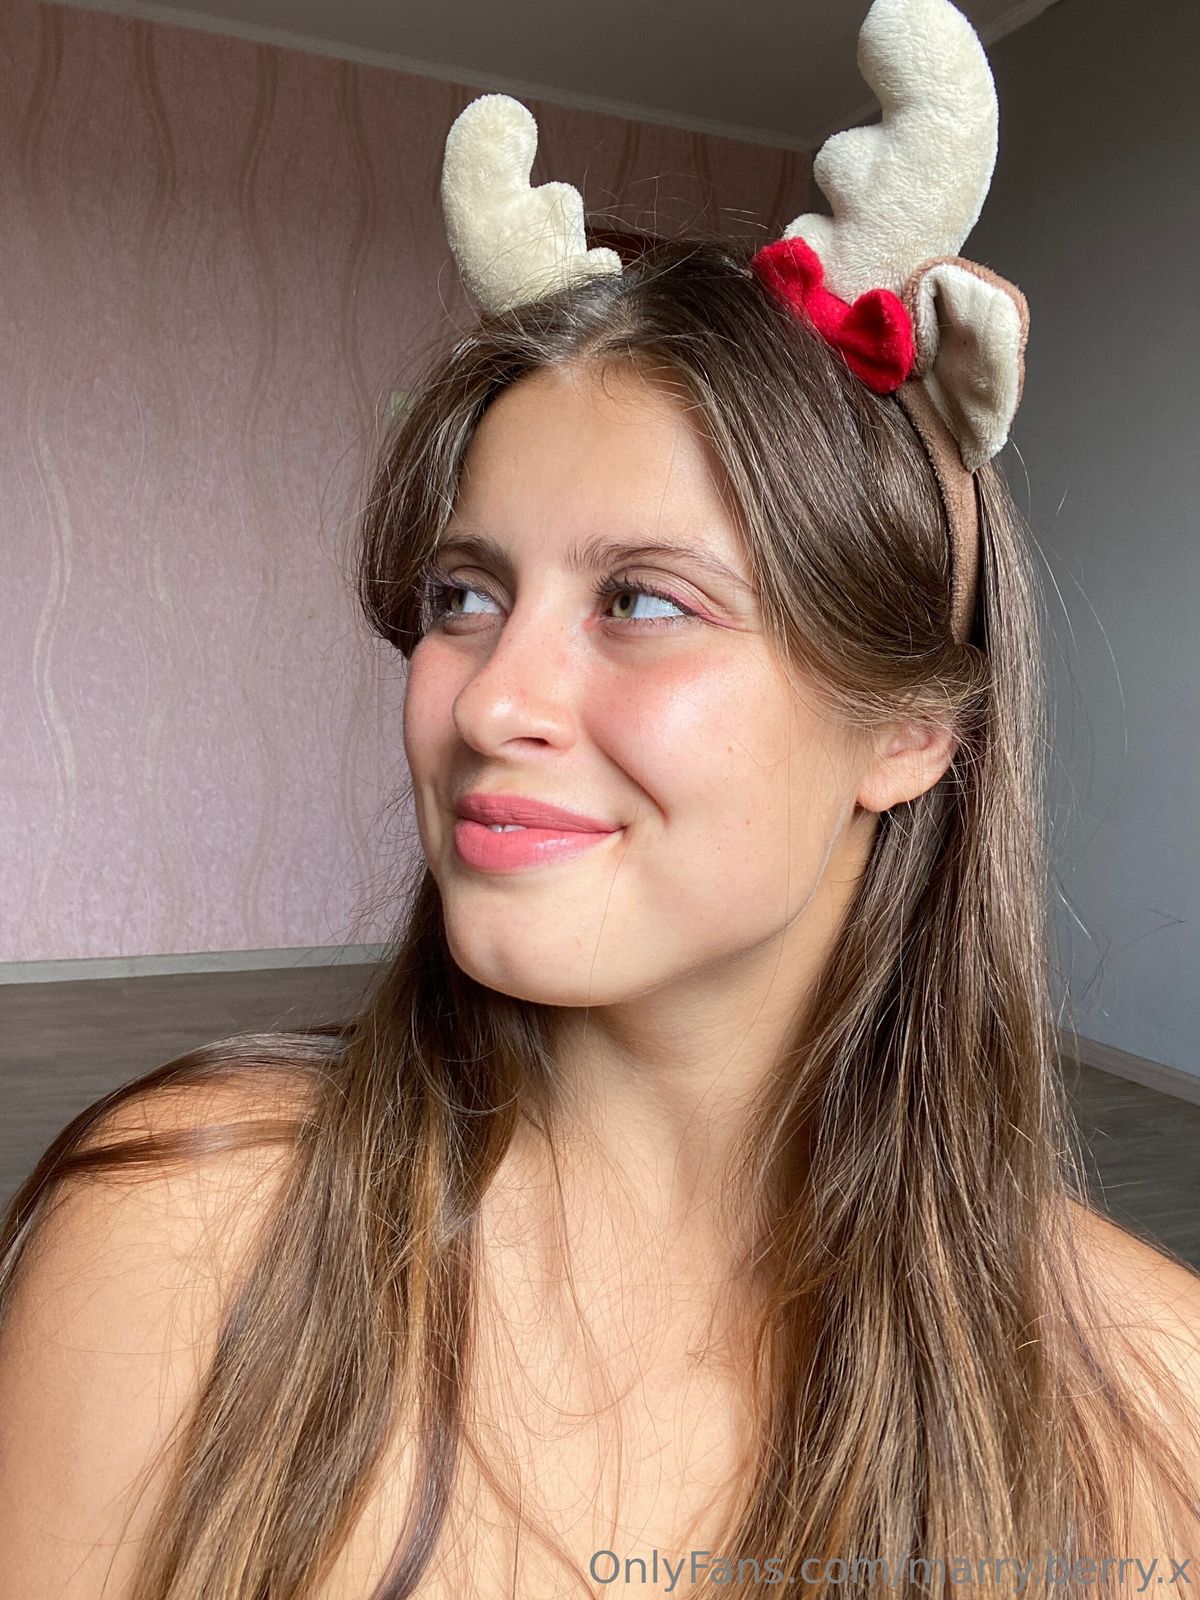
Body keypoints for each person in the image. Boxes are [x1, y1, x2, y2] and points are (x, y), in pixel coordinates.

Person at [2, 1, 1199, 1595]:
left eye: (642, 600)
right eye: (463, 597)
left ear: (910, 729)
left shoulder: (1161, 1415)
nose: (489, 701)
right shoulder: (170, 1248)